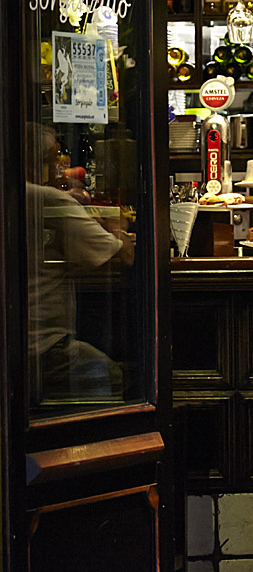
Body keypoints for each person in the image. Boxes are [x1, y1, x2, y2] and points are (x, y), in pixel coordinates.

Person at [26, 123, 133, 403]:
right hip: (44, 349)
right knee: (117, 378)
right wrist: (114, 221)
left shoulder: (26, 196)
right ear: (36, 163)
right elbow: (125, 256)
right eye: (54, 160)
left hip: (20, 346)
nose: (60, 170)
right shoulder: (47, 199)